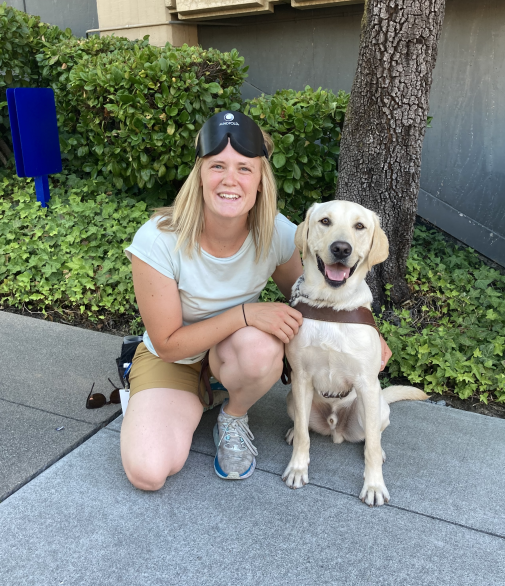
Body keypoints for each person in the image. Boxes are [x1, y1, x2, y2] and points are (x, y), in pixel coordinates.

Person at [121, 110, 392, 489]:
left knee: (262, 344)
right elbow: (168, 344)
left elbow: (313, 296)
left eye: (244, 169)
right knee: (147, 472)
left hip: (234, 355)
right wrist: (246, 314)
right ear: (199, 175)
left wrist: (364, 325)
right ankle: (171, 392)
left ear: (261, 180)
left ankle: (233, 412)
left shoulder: (279, 233)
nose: (230, 180)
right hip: (174, 357)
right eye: (217, 166)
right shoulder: (158, 239)